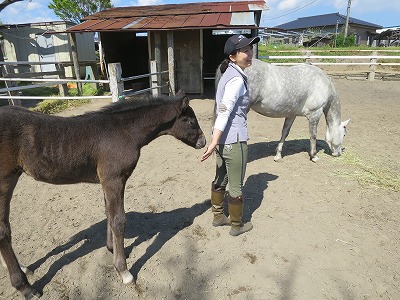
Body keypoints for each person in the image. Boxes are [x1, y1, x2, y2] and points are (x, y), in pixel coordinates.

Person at [201, 34, 259, 236]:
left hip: (223, 139)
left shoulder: (227, 73)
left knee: (220, 178)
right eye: (245, 50)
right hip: (234, 140)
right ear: (233, 56)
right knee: (236, 185)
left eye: (250, 49)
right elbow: (225, 110)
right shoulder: (236, 79)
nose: (250, 53)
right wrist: (214, 140)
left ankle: (218, 216)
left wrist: (216, 140)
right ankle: (236, 225)